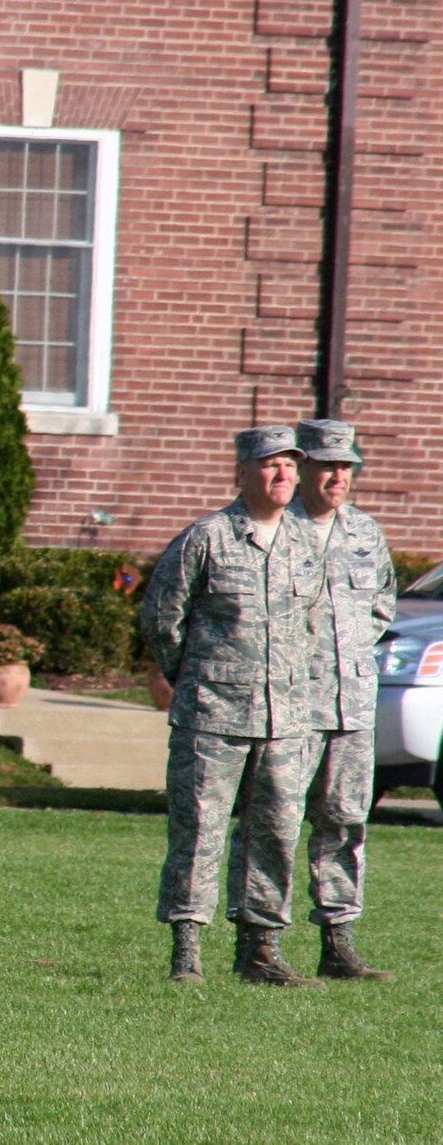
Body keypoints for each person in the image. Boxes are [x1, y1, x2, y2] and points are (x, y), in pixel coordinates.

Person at [143, 426, 324, 987]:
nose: (283, 476)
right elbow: (160, 619)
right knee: (199, 829)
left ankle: (260, 949)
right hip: (212, 714)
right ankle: (187, 949)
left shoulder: (303, 544)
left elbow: (313, 624)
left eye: (290, 467)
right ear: (242, 472)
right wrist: (195, 677)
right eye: (270, 465)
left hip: (285, 718)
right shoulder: (207, 538)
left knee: (275, 832)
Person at [224, 418, 398, 980]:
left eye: (347, 466)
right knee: (270, 824)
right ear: (303, 470)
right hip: (288, 708)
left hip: (352, 706)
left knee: (346, 822)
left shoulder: (365, 533)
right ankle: (260, 944)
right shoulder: (276, 528)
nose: (338, 476)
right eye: (327, 465)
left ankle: (338, 941)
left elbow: (382, 605)